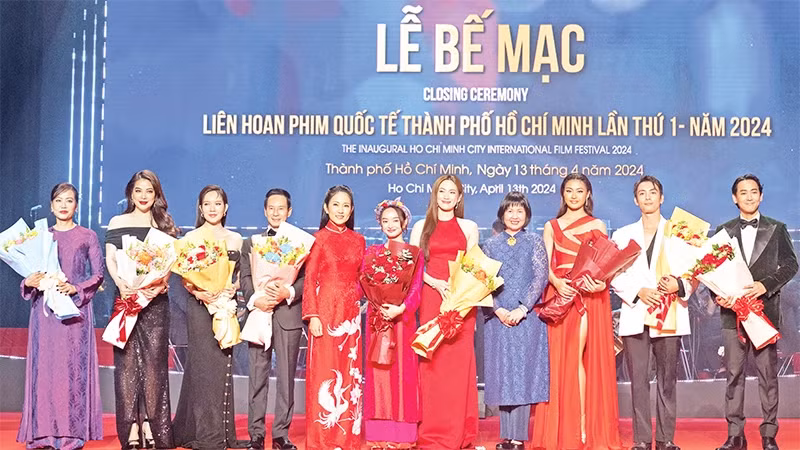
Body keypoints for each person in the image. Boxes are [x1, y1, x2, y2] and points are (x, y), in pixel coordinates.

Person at [531, 173, 622, 450]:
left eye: (579, 191)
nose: (573, 195)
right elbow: (544, 265)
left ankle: (582, 427)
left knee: (576, 359)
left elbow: (604, 264)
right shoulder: (551, 226)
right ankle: (560, 430)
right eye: (569, 190)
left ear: (588, 195)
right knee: (558, 364)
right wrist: (557, 282)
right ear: (562, 195)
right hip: (558, 297)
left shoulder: (596, 225)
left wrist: (594, 284)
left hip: (585, 298)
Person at [17, 183, 104, 449]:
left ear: (76, 205)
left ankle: (70, 434)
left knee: (70, 372)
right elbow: (28, 276)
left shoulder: (87, 236)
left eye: (69, 200)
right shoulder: (39, 236)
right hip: (44, 314)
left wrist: (75, 288)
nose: (64, 205)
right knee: (45, 370)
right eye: (59, 200)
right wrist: (29, 280)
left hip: (74, 312)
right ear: (51, 205)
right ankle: (42, 433)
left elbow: (98, 274)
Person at [713, 174, 798, 450]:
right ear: (734, 198)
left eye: (753, 192)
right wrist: (719, 296)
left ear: (761, 196)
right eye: (743, 192)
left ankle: (769, 434)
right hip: (731, 316)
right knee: (733, 374)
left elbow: (790, 265)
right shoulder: (723, 230)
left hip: (764, 314)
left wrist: (765, 285)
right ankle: (735, 434)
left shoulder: (777, 228)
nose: (748, 197)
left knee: (767, 376)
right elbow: (711, 271)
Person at [610, 176, 694, 450]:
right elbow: (613, 274)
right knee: (639, 381)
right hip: (636, 314)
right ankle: (642, 439)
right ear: (635, 200)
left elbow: (695, 272)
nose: (647, 197)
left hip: (670, 314)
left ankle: (666, 438)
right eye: (642, 193)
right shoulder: (623, 234)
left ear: (662, 198)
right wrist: (639, 292)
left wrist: (679, 284)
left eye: (652, 193)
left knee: (667, 380)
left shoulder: (680, 232)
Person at [106, 170, 178, 449]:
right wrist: (122, 284)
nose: (144, 196)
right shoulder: (118, 221)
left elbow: (170, 263)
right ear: (130, 193)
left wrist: (161, 283)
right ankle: (131, 428)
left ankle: (152, 424)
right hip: (126, 297)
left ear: (156, 194)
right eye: (138, 191)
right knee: (126, 365)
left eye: (149, 191)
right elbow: (111, 257)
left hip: (155, 302)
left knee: (154, 367)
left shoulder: (164, 224)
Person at [173, 185, 246, 449]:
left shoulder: (236, 239)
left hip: (225, 306)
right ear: (200, 208)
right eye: (207, 203)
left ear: (225, 208)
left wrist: (233, 288)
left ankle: (223, 434)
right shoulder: (190, 238)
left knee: (222, 367)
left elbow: (240, 276)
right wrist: (199, 292)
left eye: (218, 203)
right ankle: (205, 434)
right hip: (199, 307)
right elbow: (185, 277)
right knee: (202, 368)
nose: (213, 208)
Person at [409, 174, 480, 449]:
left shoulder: (469, 226)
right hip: (430, 297)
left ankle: (457, 431)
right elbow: (414, 267)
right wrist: (434, 282)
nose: (447, 196)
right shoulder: (421, 226)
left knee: (458, 368)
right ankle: (430, 430)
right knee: (432, 364)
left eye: (453, 192)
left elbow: (475, 268)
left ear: (460, 197)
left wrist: (460, 296)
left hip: (461, 302)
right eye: (443, 191)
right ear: (435, 195)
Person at [480, 192, 549, 450]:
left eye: (520, 210)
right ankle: (505, 436)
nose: (515, 215)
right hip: (497, 318)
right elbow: (483, 282)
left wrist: (522, 309)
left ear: (527, 215)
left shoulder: (534, 242)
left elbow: (540, 277)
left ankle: (518, 437)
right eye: (510, 211)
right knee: (502, 374)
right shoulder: (490, 246)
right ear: (502, 214)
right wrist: (497, 310)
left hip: (525, 317)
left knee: (522, 375)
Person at [302, 185, 366, 450]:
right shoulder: (317, 239)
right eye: (336, 205)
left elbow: (362, 279)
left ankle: (347, 438)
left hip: (351, 316)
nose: (340, 210)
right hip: (326, 314)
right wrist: (313, 315)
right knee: (324, 372)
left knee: (350, 374)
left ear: (352, 210)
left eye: (346, 206)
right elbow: (310, 280)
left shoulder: (359, 241)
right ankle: (323, 439)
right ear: (327, 207)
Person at [241, 188, 305, 450]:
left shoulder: (300, 243)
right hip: (260, 313)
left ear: (289, 211)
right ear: (265, 210)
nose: (276, 212)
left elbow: (304, 280)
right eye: (272, 208)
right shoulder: (251, 242)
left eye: (282, 208)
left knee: (286, 377)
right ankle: (256, 433)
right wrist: (256, 299)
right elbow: (245, 277)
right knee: (257, 375)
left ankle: (281, 434)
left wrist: (287, 291)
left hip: (287, 315)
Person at [362, 199, 424, 449]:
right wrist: (375, 301)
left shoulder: (414, 254)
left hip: (402, 321)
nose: (390, 225)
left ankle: (403, 434)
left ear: (404, 223)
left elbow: (417, 288)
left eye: (394, 221)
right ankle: (378, 433)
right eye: (385, 221)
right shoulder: (372, 253)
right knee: (378, 374)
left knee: (402, 374)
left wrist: (401, 308)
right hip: (377, 319)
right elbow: (363, 283)